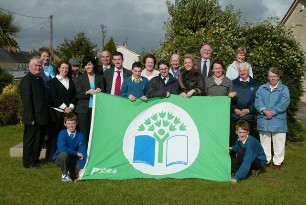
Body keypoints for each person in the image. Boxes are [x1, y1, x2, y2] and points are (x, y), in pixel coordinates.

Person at [255, 67, 290, 170]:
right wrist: (264, 111)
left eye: (275, 76)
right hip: (263, 118)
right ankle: (266, 160)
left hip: (278, 119)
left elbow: (284, 103)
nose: (273, 78)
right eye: (271, 76)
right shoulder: (262, 88)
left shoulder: (284, 89)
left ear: (278, 77)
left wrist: (273, 112)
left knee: (279, 141)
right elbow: (258, 101)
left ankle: (277, 162)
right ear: (268, 77)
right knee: (264, 140)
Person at [20, 57, 52, 168]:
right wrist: (31, 117)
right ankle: (28, 162)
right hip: (33, 117)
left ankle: (35, 159)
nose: (38, 67)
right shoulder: (26, 80)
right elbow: (27, 100)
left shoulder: (40, 79)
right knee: (30, 140)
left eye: (39, 66)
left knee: (39, 140)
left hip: (42, 116)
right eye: (35, 66)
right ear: (30, 67)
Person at [47, 60, 76, 162]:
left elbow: (73, 95)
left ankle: (66, 155)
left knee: (67, 134)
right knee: (55, 135)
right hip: (57, 112)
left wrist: (71, 107)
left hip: (69, 113)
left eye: (67, 68)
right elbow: (54, 97)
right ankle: (52, 156)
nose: (65, 70)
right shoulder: (52, 82)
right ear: (58, 68)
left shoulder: (70, 81)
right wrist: (65, 107)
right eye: (63, 68)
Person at [75, 56, 105, 145]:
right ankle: (84, 153)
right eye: (86, 65)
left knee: (95, 131)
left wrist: (100, 92)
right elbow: (77, 94)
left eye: (90, 64)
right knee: (84, 132)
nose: (88, 67)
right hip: (83, 109)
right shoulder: (80, 78)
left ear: (94, 65)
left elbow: (104, 94)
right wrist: (87, 92)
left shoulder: (100, 78)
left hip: (96, 109)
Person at [230, 63, 259, 146]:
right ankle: (234, 157)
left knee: (247, 142)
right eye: (240, 71)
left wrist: (248, 110)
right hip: (235, 117)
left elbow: (257, 100)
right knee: (234, 141)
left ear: (248, 71)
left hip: (249, 117)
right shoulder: (233, 83)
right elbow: (229, 99)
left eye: (244, 70)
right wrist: (234, 109)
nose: (242, 72)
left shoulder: (255, 84)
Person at [229, 120, 267, 184]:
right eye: (240, 132)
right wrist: (233, 148)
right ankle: (243, 171)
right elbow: (238, 146)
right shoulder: (239, 139)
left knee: (241, 152)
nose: (242, 135)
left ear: (248, 132)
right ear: (236, 132)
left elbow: (247, 161)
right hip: (249, 157)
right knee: (233, 167)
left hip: (259, 161)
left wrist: (236, 177)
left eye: (244, 132)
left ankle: (254, 170)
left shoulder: (250, 142)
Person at [53, 112, 87, 182]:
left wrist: (82, 169)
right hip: (61, 157)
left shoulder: (80, 136)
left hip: (73, 159)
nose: (71, 126)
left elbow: (83, 153)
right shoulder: (62, 133)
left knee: (79, 172)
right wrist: (76, 153)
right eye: (68, 123)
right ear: (65, 124)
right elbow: (62, 148)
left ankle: (71, 172)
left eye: (73, 123)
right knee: (64, 154)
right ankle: (64, 174)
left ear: (76, 123)